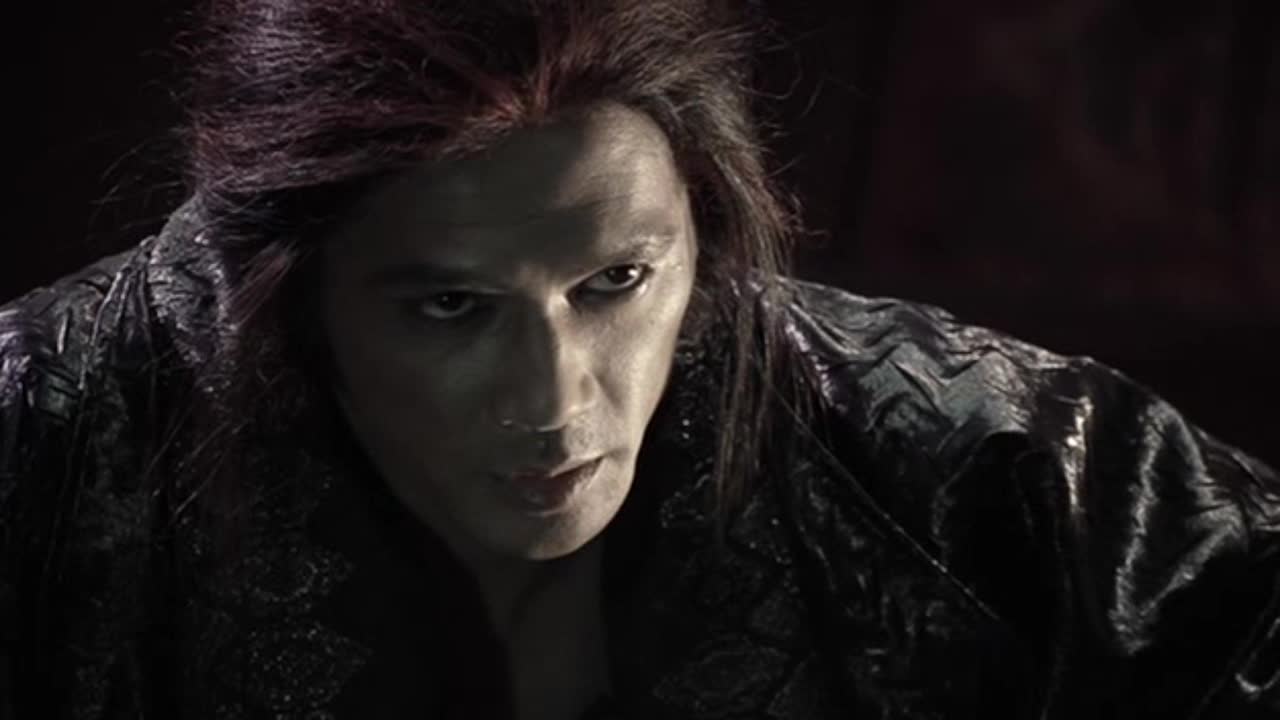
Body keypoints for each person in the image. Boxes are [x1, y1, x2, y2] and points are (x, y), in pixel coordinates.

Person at [1, 1, 1276, 718]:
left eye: (614, 284)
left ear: (700, 239)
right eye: (450, 308)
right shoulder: (38, 440)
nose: (555, 399)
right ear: (293, 292)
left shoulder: (981, 463)